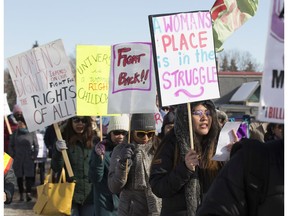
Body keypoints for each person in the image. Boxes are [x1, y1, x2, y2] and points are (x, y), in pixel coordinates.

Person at [149, 100, 224, 216]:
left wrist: (233, 156)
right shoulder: (171, 143)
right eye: (198, 113)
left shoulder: (219, 144)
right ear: (186, 116)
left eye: (208, 113)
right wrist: (185, 168)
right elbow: (158, 186)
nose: (204, 118)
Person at [196, 138, 284, 216]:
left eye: (209, 117)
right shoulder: (254, 158)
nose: (204, 118)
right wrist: (186, 169)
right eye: (198, 117)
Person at [108, 113, 162, 216]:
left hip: (157, 209)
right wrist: (122, 165)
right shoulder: (120, 149)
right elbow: (114, 187)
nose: (146, 137)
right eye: (141, 134)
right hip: (130, 210)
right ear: (132, 132)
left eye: (150, 134)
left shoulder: (159, 148)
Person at [51, 116, 99, 216]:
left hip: (90, 195)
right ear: (70, 121)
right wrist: (58, 152)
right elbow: (56, 167)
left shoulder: (96, 141)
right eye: (76, 120)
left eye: (84, 120)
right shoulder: (63, 139)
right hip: (69, 194)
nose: (80, 123)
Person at [89, 114, 130, 216]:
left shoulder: (130, 150)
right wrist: (99, 159)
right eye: (116, 133)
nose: (120, 136)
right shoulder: (100, 150)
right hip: (106, 205)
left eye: (123, 133)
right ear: (110, 133)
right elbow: (95, 178)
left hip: (126, 204)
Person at [8, 104, 39, 202]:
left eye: (22, 123)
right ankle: (21, 194)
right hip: (18, 158)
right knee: (20, 177)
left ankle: (28, 193)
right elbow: (11, 145)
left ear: (26, 123)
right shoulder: (15, 134)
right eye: (19, 123)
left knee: (29, 176)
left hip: (29, 158)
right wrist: (13, 154)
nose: (20, 124)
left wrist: (34, 155)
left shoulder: (31, 132)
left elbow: (36, 145)